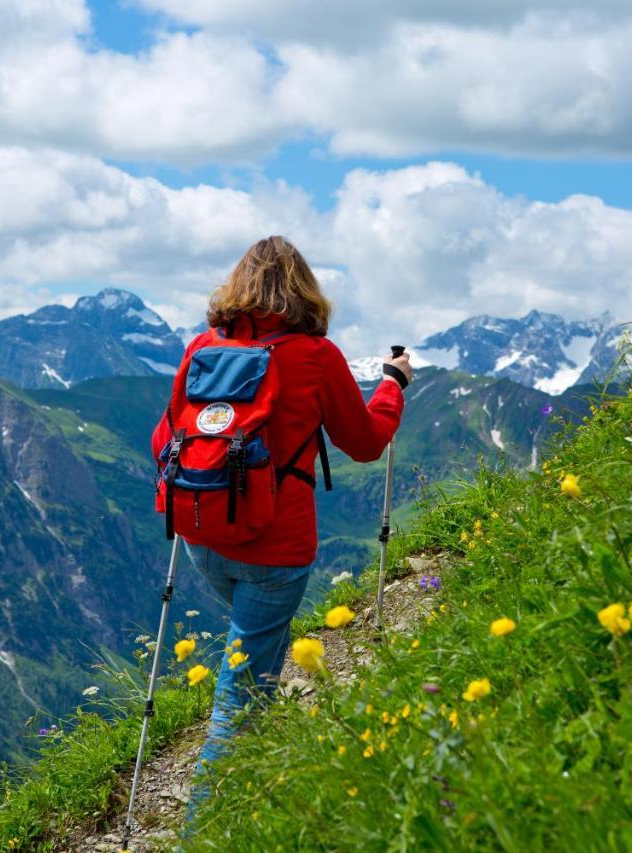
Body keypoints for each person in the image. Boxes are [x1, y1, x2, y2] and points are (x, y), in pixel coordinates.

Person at [149, 235, 411, 817]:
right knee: (238, 697)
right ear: (303, 290)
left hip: (200, 532)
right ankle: (208, 829)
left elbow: (164, 440)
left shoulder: (202, 348)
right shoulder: (316, 356)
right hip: (276, 548)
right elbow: (365, 443)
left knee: (251, 658)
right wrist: (392, 385)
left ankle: (258, 778)